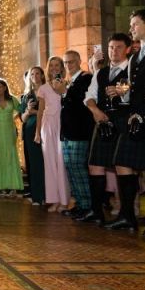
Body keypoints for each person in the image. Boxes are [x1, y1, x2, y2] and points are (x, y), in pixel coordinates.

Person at [106, 10, 145, 232]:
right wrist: (120, 90)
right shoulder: (135, 56)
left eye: (134, 24)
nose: (131, 28)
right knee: (122, 162)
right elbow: (132, 88)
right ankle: (127, 216)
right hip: (135, 117)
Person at [84, 33, 132, 225]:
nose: (114, 51)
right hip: (103, 122)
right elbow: (89, 95)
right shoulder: (100, 73)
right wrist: (94, 110)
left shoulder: (132, 70)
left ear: (128, 49)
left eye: (119, 47)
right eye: (111, 47)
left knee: (123, 167)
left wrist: (125, 93)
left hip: (124, 122)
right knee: (94, 165)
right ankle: (97, 212)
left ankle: (127, 215)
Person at [57, 50, 95, 221]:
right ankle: (79, 204)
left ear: (79, 61)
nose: (68, 65)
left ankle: (88, 206)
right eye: (65, 62)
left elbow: (82, 101)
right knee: (71, 169)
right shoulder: (69, 81)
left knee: (79, 169)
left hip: (79, 132)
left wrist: (65, 91)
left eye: (71, 62)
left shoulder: (86, 78)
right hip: (67, 132)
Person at [35, 56, 70, 212]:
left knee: (62, 162)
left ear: (62, 68)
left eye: (57, 65)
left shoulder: (67, 84)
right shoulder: (43, 88)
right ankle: (54, 199)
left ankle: (64, 201)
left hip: (63, 124)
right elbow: (40, 111)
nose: (54, 68)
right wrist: (37, 132)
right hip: (47, 126)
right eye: (52, 65)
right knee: (49, 164)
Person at [0, 78, 23, 194]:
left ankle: (13, 187)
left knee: (10, 157)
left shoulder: (12, 100)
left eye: (0, 87)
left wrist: (13, 118)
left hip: (9, 132)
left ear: (5, 87)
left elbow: (21, 110)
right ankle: (0, 186)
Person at [20, 67, 45, 206]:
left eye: (37, 73)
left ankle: (48, 195)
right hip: (30, 132)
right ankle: (37, 196)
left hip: (46, 130)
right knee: (34, 164)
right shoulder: (27, 95)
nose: (34, 76)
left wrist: (35, 111)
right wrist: (29, 112)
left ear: (42, 75)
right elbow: (23, 118)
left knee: (46, 163)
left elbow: (51, 111)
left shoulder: (49, 90)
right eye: (32, 74)